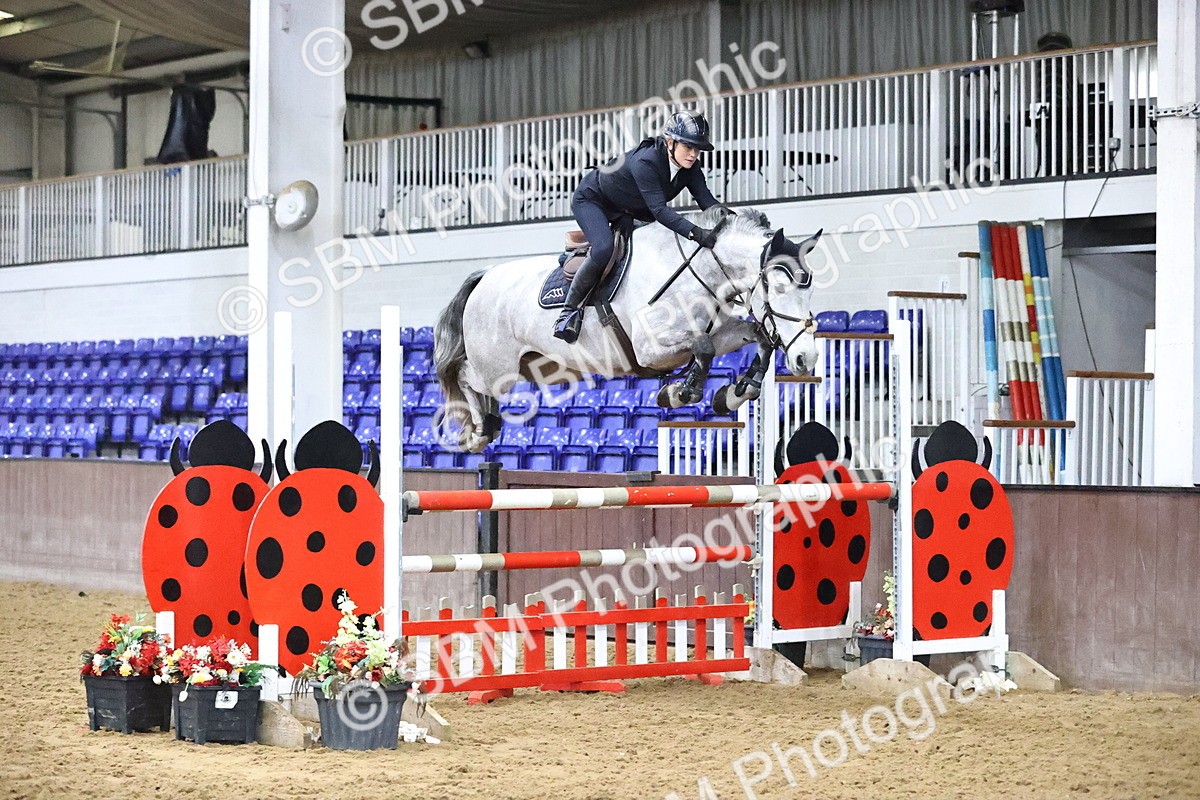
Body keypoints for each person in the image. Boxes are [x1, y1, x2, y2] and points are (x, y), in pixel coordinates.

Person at [552, 109, 723, 343]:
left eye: (697, 149)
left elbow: (708, 203)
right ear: (670, 142)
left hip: (630, 209)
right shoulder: (647, 161)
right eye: (688, 147)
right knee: (603, 249)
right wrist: (695, 233)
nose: (693, 154)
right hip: (594, 200)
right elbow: (660, 211)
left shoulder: (690, 168)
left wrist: (735, 223)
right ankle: (569, 312)